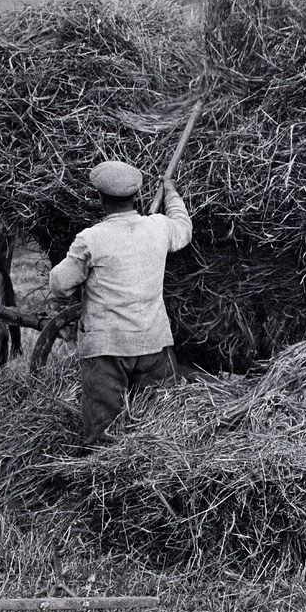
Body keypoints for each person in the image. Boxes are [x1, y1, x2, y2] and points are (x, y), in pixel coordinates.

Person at [49, 160, 194, 446]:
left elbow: (59, 285)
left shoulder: (90, 240)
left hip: (108, 353)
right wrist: (171, 193)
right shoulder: (159, 228)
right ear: (135, 196)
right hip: (154, 345)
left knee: (103, 440)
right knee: (160, 429)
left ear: (101, 199)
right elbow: (183, 227)